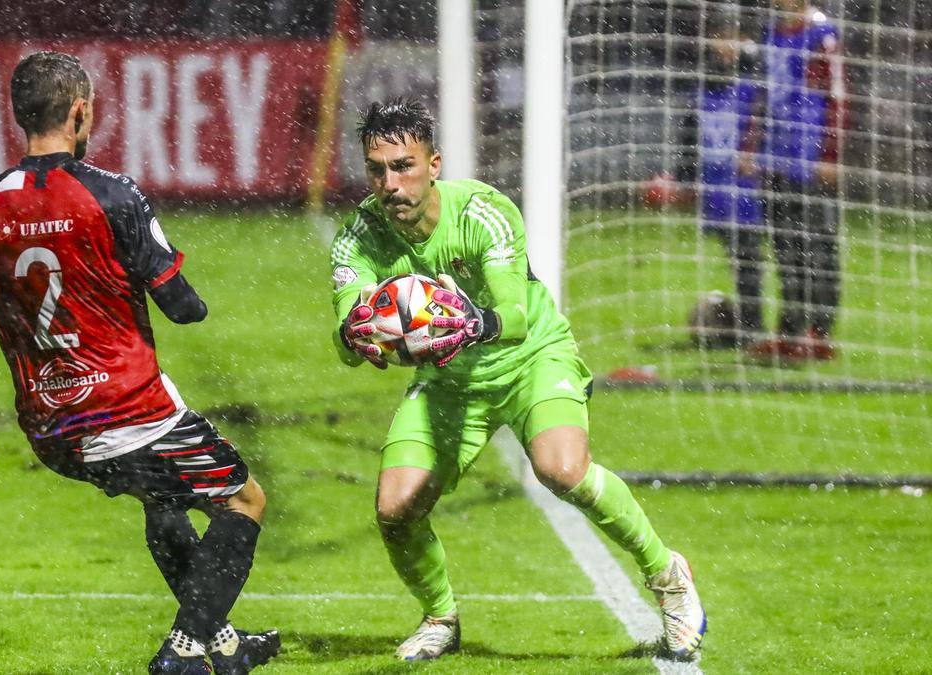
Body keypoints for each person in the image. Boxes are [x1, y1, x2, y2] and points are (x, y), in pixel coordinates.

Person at [0, 51, 278, 675]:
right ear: (80, 112)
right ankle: (183, 650)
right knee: (243, 501)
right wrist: (171, 282)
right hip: (130, 411)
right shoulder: (112, 193)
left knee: (162, 503)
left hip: (53, 430)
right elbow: (184, 308)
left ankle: (223, 646)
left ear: (18, 114)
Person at [330, 99, 707, 662]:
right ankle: (440, 617)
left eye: (404, 165)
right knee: (394, 509)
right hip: (449, 383)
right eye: (377, 169)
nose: (391, 183)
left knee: (562, 470)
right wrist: (354, 336)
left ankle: (668, 574)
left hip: (532, 360)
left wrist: (472, 323)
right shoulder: (358, 237)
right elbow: (346, 340)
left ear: (434, 164)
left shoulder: (483, 211)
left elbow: (517, 316)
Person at [749, 0, 847, 361]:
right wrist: (750, 146)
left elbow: (837, 97)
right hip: (776, 155)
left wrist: (830, 154)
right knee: (785, 247)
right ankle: (789, 329)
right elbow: (763, 94)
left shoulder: (823, 33)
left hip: (810, 154)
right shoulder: (771, 32)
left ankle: (818, 332)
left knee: (818, 246)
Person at [696, 10, 768, 348]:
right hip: (719, 187)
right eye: (718, 36)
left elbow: (763, 115)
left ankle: (756, 328)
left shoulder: (754, 75)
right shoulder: (708, 78)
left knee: (752, 258)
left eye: (730, 36)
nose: (723, 44)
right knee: (739, 259)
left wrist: (753, 152)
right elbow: (689, 128)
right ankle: (745, 326)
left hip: (749, 189)